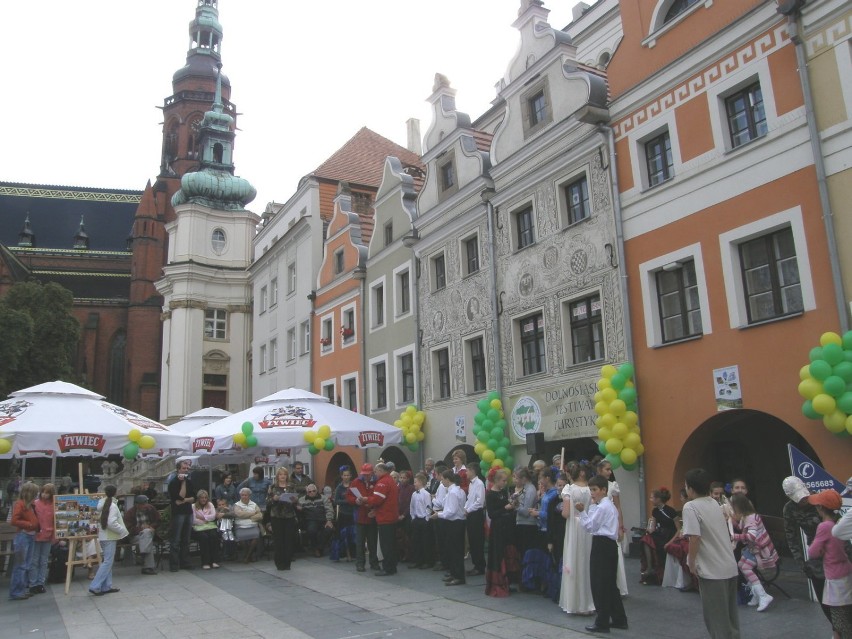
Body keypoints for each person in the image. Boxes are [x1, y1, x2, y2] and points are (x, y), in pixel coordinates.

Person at [682, 468, 740, 639]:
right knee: (731, 619)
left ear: (690, 488)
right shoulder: (714, 503)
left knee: (717, 620)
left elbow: (694, 537)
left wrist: (691, 562)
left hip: (712, 570)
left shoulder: (690, 507)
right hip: (729, 566)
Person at [575, 474, 629, 633]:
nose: (592, 493)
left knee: (600, 584)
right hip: (609, 545)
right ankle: (619, 618)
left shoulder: (604, 507)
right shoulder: (607, 505)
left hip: (602, 545)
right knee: (610, 584)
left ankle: (602, 621)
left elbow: (590, 526)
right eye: (590, 490)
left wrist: (582, 511)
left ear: (604, 490)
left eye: (595, 490)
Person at [783, 475, 836, 631]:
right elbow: (791, 536)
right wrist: (801, 563)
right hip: (816, 554)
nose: (803, 500)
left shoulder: (819, 500)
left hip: (833, 550)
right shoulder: (789, 509)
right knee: (824, 599)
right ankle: (836, 628)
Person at [807, 489, 852, 638]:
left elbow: (813, 552)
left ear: (820, 508)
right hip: (846, 570)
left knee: (839, 618)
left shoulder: (824, 526)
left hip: (835, 577)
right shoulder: (840, 521)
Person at [729, 493, 778, 612]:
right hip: (755, 549)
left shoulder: (750, 518)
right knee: (741, 565)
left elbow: (751, 536)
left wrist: (734, 536)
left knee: (745, 568)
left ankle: (762, 595)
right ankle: (756, 594)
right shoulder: (748, 516)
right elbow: (743, 528)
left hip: (760, 550)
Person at [560, 461, 595, 615]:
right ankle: (588, 601)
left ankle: (574, 602)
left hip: (574, 527)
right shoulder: (591, 489)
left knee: (574, 559)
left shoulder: (569, 489)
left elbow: (566, 513)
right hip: (588, 527)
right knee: (587, 561)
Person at [596, 459, 629, 596]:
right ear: (599, 470)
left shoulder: (612, 486)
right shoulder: (593, 486)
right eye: (607, 469)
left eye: (610, 469)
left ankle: (617, 585)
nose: (609, 472)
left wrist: (621, 526)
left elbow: (618, 507)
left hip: (611, 525)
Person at [89, 485, 128, 596]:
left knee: (107, 561)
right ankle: (95, 585)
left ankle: (106, 585)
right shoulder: (113, 505)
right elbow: (111, 523)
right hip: (110, 536)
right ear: (115, 492)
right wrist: (122, 530)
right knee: (107, 562)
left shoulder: (102, 503)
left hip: (103, 535)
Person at [361, 462, 399, 576]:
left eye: (376, 471)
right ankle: (392, 566)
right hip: (391, 516)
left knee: (386, 544)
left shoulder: (382, 482)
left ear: (381, 471)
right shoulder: (390, 480)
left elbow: (377, 499)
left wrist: (365, 499)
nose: (375, 474)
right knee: (391, 543)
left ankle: (388, 568)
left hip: (385, 517)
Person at [485, 468, 518, 597]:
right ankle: (497, 583)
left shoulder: (504, 492)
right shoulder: (490, 494)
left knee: (507, 552)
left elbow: (507, 508)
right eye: (503, 480)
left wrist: (512, 506)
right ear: (497, 481)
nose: (505, 483)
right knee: (498, 554)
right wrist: (505, 508)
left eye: (506, 481)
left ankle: (508, 581)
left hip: (506, 527)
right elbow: (492, 514)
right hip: (497, 528)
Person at [639, 487, 678, 585]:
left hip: (670, 535)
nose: (650, 500)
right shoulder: (655, 511)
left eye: (652, 498)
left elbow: (679, 529)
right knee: (645, 539)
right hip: (660, 534)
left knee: (656, 544)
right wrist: (648, 530)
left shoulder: (671, 511)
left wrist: (670, 542)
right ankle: (650, 567)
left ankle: (655, 569)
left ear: (658, 499)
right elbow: (652, 526)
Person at [434, 470, 466, 586]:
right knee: (453, 550)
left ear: (448, 479)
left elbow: (451, 511)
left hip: (454, 523)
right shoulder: (457, 491)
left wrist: (438, 514)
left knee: (456, 550)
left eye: (442, 479)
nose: (442, 481)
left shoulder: (453, 492)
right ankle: (454, 573)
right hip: (456, 522)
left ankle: (458, 576)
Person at [8, 482, 39, 601]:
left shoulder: (31, 505)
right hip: (23, 536)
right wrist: (29, 524)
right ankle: (16, 591)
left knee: (27, 564)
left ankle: (22, 589)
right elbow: (14, 521)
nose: (37, 495)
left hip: (30, 536)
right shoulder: (20, 504)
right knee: (20, 565)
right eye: (35, 493)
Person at [346, 463, 379, 573]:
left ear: (372, 473)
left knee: (372, 542)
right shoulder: (356, 482)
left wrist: (369, 501)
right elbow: (349, 496)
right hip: (360, 516)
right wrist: (355, 501)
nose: (366, 476)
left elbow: (378, 497)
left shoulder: (376, 482)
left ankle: (374, 563)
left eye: (368, 475)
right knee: (359, 542)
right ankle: (360, 564)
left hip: (372, 515)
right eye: (364, 474)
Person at [167, 459, 196, 572]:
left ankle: (185, 562)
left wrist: (184, 500)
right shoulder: (174, 482)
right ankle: (174, 564)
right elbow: (178, 497)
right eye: (184, 468)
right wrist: (183, 483)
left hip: (188, 512)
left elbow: (194, 497)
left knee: (186, 539)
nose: (186, 470)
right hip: (178, 513)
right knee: (176, 540)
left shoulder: (189, 481)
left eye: (187, 468)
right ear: (178, 469)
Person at [29, 483, 56, 594]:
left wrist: (55, 536)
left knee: (44, 561)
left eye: (47, 493)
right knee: (34, 560)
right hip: (36, 535)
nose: (45, 495)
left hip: (48, 535)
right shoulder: (35, 504)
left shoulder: (54, 505)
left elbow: (56, 521)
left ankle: (40, 583)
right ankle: (32, 583)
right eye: (43, 492)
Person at [123, 494, 160, 575]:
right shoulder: (130, 513)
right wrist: (141, 529)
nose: (145, 505)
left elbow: (158, 521)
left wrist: (151, 526)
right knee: (146, 537)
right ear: (137, 504)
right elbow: (129, 529)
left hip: (151, 532)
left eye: (146, 503)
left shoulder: (151, 509)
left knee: (147, 533)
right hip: (136, 535)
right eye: (143, 504)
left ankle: (143, 553)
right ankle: (148, 567)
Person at [297, 483, 334, 557]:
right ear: (307, 492)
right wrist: (299, 509)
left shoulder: (323, 498)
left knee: (329, 529)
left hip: (323, 520)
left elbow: (329, 509)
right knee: (311, 530)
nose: (312, 493)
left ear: (316, 491)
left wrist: (329, 520)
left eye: (313, 491)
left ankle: (318, 548)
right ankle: (316, 548)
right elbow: (298, 511)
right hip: (310, 520)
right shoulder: (301, 500)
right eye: (309, 491)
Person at [465, 462, 486, 577]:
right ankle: (475, 564)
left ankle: (480, 566)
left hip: (476, 514)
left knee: (477, 540)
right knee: (472, 540)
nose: (466, 473)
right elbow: (469, 498)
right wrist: (465, 508)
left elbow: (480, 502)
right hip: (470, 513)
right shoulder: (471, 484)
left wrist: (469, 510)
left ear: (473, 471)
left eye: (467, 470)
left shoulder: (479, 483)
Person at [408, 473, 434, 569]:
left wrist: (427, 519)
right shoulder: (414, 494)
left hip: (424, 520)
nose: (414, 484)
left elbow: (428, 507)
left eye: (415, 482)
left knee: (425, 542)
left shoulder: (426, 494)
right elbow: (412, 506)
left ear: (421, 482)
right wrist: (413, 517)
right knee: (416, 541)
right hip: (416, 519)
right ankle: (417, 560)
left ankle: (427, 561)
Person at [513, 467, 539, 560]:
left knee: (526, 553)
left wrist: (515, 506)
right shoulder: (525, 489)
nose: (514, 480)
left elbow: (526, 511)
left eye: (516, 478)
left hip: (527, 525)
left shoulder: (530, 490)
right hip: (522, 523)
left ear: (523, 479)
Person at [192, 490, 221, 569]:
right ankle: (205, 562)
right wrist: (205, 520)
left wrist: (202, 518)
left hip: (210, 526)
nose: (204, 499)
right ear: (198, 498)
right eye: (202, 498)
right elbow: (194, 520)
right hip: (198, 528)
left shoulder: (210, 504)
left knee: (213, 536)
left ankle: (214, 561)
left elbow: (213, 516)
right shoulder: (193, 506)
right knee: (204, 538)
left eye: (205, 498)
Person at [332, 466, 356, 562]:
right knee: (344, 536)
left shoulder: (353, 485)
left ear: (350, 476)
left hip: (352, 513)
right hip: (343, 514)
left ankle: (353, 554)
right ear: (342, 476)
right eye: (344, 475)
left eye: (348, 475)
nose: (346, 477)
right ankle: (346, 554)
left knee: (353, 535)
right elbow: (336, 501)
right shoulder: (339, 487)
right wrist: (348, 501)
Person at [233, 487, 262, 562]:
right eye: (242, 495)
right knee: (241, 537)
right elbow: (239, 514)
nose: (244, 497)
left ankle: (247, 556)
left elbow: (260, 515)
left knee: (256, 536)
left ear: (249, 496)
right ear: (240, 496)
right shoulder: (237, 505)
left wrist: (248, 517)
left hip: (252, 525)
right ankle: (249, 556)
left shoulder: (254, 504)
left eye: (246, 495)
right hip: (240, 525)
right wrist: (252, 513)